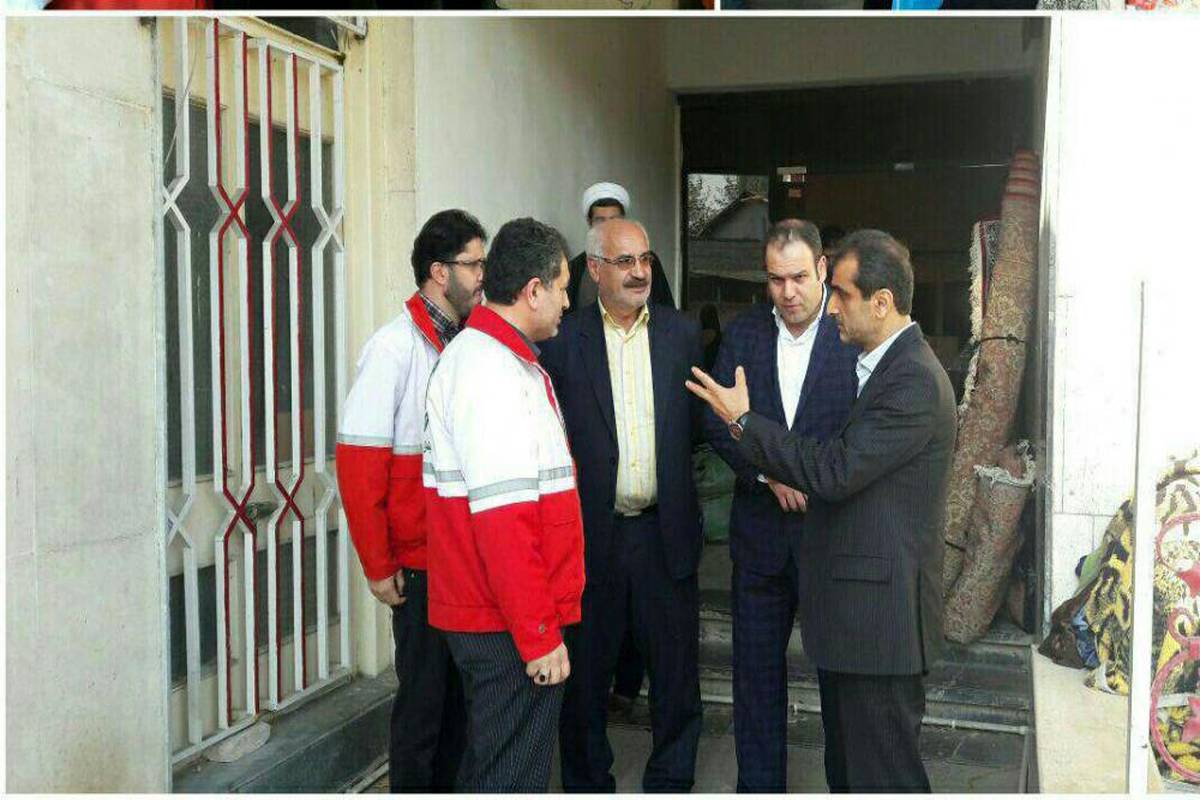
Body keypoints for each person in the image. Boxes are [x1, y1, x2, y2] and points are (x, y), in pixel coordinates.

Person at [686, 229, 957, 793]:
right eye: (775, 279)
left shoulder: (906, 377)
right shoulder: (883, 364)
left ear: (880, 302)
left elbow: (837, 468)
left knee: (881, 771)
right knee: (854, 764)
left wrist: (745, 424)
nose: (831, 306)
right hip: (826, 582)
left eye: (841, 293)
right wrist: (762, 468)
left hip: (877, 613)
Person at [542, 218, 704, 792]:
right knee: (586, 681)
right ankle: (589, 784)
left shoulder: (682, 334)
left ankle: (670, 783)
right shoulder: (563, 342)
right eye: (625, 261)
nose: (639, 272)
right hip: (593, 538)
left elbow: (702, 425)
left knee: (677, 680)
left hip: (665, 534)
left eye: (645, 259)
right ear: (594, 270)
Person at [423, 217, 583, 792]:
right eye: (562, 287)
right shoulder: (490, 371)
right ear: (533, 291)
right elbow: (504, 524)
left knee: (493, 766)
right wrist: (538, 634)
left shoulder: (502, 358)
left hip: (502, 614)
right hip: (504, 623)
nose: (568, 302)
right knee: (512, 777)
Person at [702, 219, 859, 792]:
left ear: (822, 268)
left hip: (829, 538)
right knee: (755, 681)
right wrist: (767, 474)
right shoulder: (744, 335)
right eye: (774, 280)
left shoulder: (851, 334)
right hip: (760, 540)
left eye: (798, 278)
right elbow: (715, 420)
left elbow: (862, 433)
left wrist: (811, 477)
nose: (787, 292)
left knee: (840, 686)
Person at [336, 209, 486, 791]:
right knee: (422, 709)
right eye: (473, 264)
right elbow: (359, 465)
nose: (482, 275)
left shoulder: (469, 343)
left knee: (459, 710)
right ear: (438, 272)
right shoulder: (392, 349)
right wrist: (378, 565)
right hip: (419, 567)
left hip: (463, 558)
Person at [567, 181, 674, 312]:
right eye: (600, 220)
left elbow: (667, 312)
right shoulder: (576, 268)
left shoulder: (647, 261)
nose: (608, 227)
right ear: (590, 223)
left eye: (614, 220)